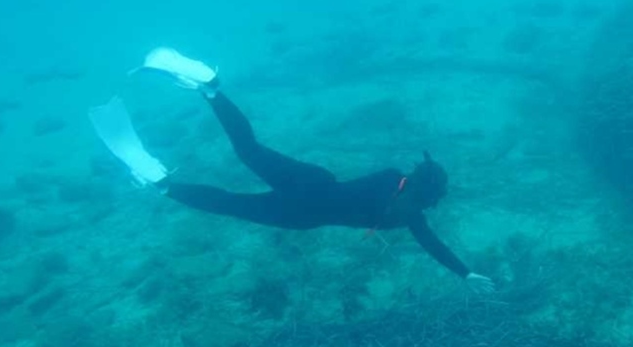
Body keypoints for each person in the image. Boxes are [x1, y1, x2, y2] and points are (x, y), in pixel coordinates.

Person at [90, 47, 495, 290]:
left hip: (312, 182)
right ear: (429, 199)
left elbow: (410, 216)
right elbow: (432, 245)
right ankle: (164, 185)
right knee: (230, 203)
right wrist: (465, 274)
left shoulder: (394, 178)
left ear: (416, 178)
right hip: (302, 214)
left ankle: (212, 88)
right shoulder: (410, 218)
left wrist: (465, 272)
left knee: (248, 150)